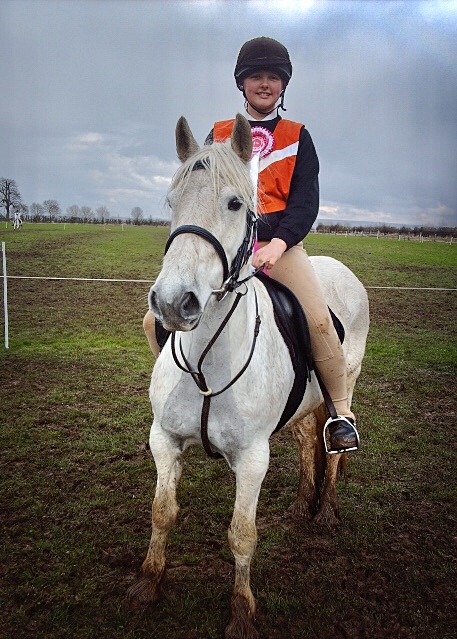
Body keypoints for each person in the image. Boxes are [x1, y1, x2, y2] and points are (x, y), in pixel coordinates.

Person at [143, 36, 359, 453]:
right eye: (256, 76)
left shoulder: (299, 137)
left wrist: (279, 244)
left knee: (318, 321)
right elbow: (204, 193)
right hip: (227, 245)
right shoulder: (219, 133)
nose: (264, 84)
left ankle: (340, 415)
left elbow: (304, 203)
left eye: (273, 77)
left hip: (280, 246)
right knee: (155, 321)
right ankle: (183, 388)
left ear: (283, 86)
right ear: (242, 84)